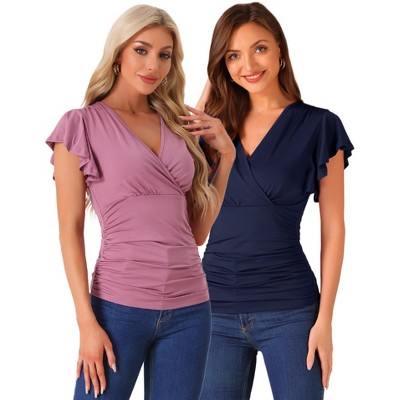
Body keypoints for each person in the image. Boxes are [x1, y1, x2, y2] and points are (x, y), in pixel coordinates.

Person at [46, 4, 235, 399]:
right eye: (141, 50)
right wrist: (86, 322)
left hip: (191, 309)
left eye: (164, 55)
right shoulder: (80, 125)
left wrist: (227, 157)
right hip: (118, 308)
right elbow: (70, 231)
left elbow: (196, 233)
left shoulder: (178, 125)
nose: (153, 65)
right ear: (118, 53)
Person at [196, 3, 354, 400]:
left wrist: (325, 320)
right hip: (211, 308)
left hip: (291, 311)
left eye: (260, 49)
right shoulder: (212, 131)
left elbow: (334, 227)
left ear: (280, 49)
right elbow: (178, 165)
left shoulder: (320, 125)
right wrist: (211, 86)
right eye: (233, 56)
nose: (248, 65)